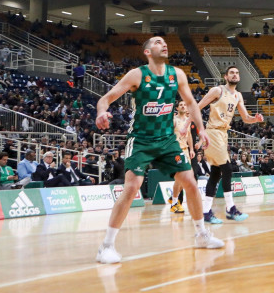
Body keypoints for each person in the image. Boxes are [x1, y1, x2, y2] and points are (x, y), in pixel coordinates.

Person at [94, 36, 223, 264]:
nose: (163, 44)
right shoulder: (137, 75)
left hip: (167, 140)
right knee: (132, 186)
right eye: (156, 42)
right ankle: (106, 246)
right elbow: (106, 98)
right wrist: (101, 113)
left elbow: (192, 104)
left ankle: (201, 234)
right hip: (141, 140)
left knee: (190, 182)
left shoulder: (177, 75)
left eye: (164, 42)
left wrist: (201, 129)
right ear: (147, 52)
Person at [197, 66, 264, 224]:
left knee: (215, 173)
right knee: (227, 169)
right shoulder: (217, 90)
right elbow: (197, 107)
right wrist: (192, 126)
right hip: (213, 132)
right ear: (226, 77)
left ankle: (206, 211)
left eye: (237, 73)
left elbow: (246, 118)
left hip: (223, 134)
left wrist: (256, 119)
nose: (235, 74)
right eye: (232, 73)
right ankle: (230, 208)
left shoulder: (238, 95)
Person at [168, 100, 195, 214]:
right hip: (176, 150)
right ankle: (174, 202)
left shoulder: (187, 121)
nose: (183, 106)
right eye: (181, 105)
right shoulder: (174, 120)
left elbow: (189, 136)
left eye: (185, 105)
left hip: (185, 150)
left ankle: (173, 198)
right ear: (177, 108)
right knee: (180, 177)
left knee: (188, 177)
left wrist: (191, 149)